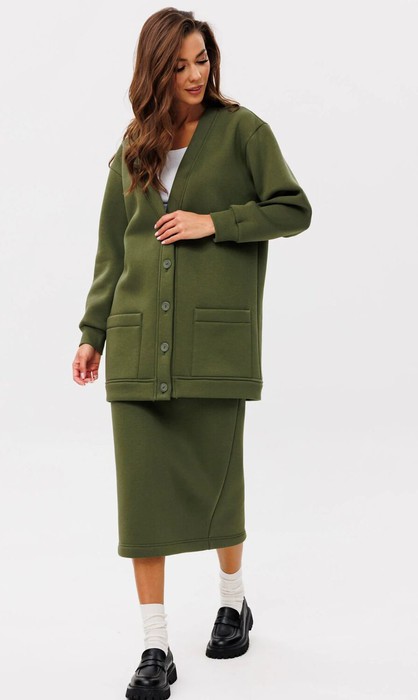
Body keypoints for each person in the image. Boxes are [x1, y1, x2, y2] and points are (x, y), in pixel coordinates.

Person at [72, 7, 312, 699]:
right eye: (177, 65)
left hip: (213, 346)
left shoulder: (243, 131)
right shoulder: (134, 144)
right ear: (154, 70)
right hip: (138, 345)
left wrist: (215, 222)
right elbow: (112, 249)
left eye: (201, 60)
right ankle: (156, 646)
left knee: (218, 484)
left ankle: (233, 602)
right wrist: (92, 332)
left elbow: (293, 209)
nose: (193, 75)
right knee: (141, 501)